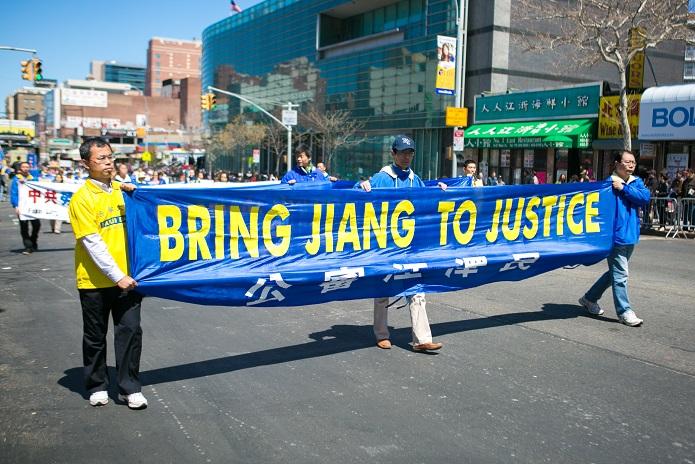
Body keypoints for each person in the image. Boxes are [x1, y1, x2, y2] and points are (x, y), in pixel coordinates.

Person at [68, 137, 147, 409]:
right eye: (101, 158)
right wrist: (117, 276)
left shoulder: (122, 191)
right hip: (95, 281)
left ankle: (129, 387)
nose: (108, 162)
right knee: (95, 335)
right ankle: (97, 385)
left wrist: (136, 192)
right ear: (85, 163)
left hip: (130, 278)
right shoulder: (82, 199)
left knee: (130, 332)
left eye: (110, 157)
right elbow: (93, 243)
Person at [358, 135, 445, 352]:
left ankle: (421, 339)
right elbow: (356, 193)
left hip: (410, 246)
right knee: (382, 290)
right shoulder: (382, 177)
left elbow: (428, 198)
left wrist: (440, 189)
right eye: (402, 152)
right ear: (393, 154)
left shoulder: (416, 180)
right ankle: (381, 334)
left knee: (416, 289)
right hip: (385, 245)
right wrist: (362, 186)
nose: (406, 157)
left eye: (410, 153)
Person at [578, 150, 650, 327]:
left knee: (615, 274)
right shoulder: (606, 185)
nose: (631, 165)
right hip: (614, 237)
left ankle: (589, 298)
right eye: (627, 162)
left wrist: (624, 188)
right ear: (617, 163)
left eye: (633, 162)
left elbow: (645, 198)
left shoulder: (636, 182)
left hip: (630, 235)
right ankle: (624, 311)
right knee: (621, 274)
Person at [10, 162, 41, 254]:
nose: (26, 168)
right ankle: (28, 246)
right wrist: (16, 206)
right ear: (20, 168)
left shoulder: (33, 179)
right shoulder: (16, 179)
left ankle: (33, 240)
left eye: (27, 167)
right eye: (23, 167)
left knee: (37, 225)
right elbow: (14, 194)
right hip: (22, 207)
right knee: (24, 227)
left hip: (32, 206)